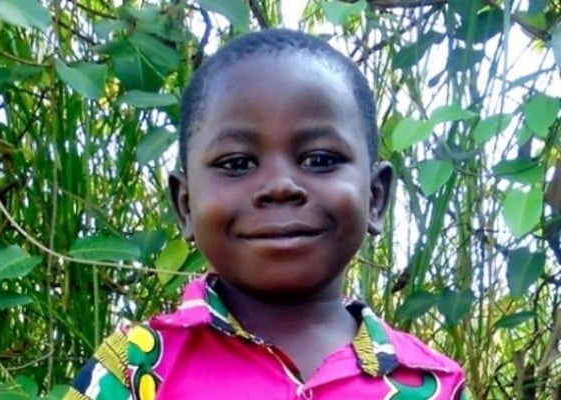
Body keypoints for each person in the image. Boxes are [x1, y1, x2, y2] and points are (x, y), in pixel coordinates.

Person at [64, 28, 467, 400]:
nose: (279, 185)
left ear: (375, 196)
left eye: (319, 159)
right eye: (237, 164)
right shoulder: (135, 369)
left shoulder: (433, 385)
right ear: (185, 204)